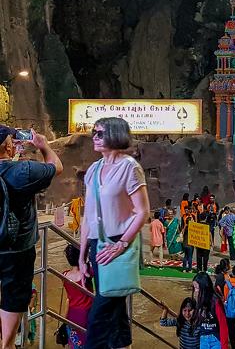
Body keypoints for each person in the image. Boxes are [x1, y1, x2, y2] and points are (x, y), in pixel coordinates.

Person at [78, 117, 150, 349]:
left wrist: (121, 244)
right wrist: (82, 255)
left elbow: (143, 211)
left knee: (99, 315)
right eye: (94, 133)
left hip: (119, 243)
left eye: (100, 133)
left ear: (115, 135)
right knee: (115, 308)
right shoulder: (93, 169)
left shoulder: (129, 167)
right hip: (97, 245)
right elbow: (88, 215)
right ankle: (122, 344)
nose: (95, 137)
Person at [0, 126, 63, 349]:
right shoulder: (23, 171)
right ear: (9, 146)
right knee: (14, 297)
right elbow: (56, 167)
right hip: (17, 250)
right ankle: (7, 344)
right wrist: (43, 146)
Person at [62, 244, 94, 348]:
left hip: (72, 314)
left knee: (75, 343)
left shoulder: (64, 275)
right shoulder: (86, 273)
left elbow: (68, 298)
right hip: (87, 313)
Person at [192, 272, 228, 348]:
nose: (195, 291)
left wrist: (224, 346)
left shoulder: (216, 302)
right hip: (203, 339)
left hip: (215, 339)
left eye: (197, 288)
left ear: (204, 287)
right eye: (194, 288)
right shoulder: (198, 301)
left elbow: (223, 325)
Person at [182, 208, 195, 272]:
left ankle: (184, 269)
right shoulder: (193, 229)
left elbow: (182, 233)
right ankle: (190, 269)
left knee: (185, 256)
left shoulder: (185, 228)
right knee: (190, 257)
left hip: (184, 244)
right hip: (190, 244)